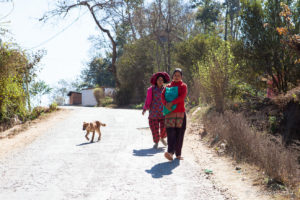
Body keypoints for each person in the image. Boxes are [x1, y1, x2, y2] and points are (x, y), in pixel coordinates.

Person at [162, 68, 187, 161]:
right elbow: (162, 96)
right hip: (169, 113)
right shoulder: (167, 87)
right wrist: (166, 104)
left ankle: (178, 154)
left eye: (178, 75)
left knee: (180, 134)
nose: (176, 77)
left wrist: (172, 103)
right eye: (175, 75)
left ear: (181, 77)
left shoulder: (183, 86)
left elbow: (182, 97)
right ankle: (170, 153)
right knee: (170, 133)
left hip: (180, 113)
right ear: (172, 76)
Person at [143, 72, 170, 149]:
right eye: (159, 79)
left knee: (164, 128)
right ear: (156, 80)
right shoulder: (151, 90)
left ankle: (162, 137)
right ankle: (156, 142)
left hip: (163, 113)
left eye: (162, 80)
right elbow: (148, 100)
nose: (160, 81)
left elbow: (168, 100)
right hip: (153, 113)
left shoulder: (166, 90)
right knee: (154, 129)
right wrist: (145, 109)